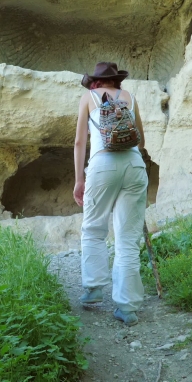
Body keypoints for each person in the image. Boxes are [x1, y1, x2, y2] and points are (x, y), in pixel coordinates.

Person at [73, 61, 149, 326]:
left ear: (95, 81)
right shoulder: (130, 98)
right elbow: (141, 140)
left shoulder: (88, 98)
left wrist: (79, 179)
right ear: (117, 81)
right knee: (127, 238)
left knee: (93, 228)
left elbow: (80, 141)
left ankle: (93, 289)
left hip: (102, 164)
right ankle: (127, 308)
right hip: (134, 164)